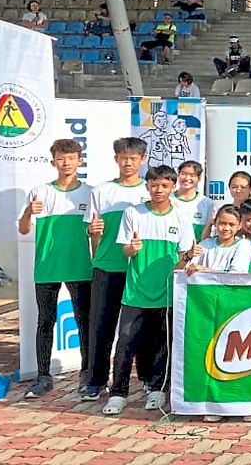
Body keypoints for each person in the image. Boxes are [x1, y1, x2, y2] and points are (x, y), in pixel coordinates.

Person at [102, 165, 194, 415]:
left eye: (164, 185)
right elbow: (125, 250)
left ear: (173, 187)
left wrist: (188, 258)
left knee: (162, 345)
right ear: (147, 186)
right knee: (125, 343)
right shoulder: (133, 213)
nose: (159, 190)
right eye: (154, 185)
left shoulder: (181, 217)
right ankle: (118, 393)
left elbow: (183, 258)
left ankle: (157, 389)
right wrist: (131, 248)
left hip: (166, 294)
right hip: (135, 294)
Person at [17, 139, 94, 399]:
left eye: (71, 158)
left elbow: (95, 232)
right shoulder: (39, 192)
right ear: (53, 162)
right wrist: (29, 212)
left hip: (80, 267)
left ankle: (87, 374)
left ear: (80, 161)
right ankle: (43, 376)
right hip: (47, 267)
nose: (66, 163)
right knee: (45, 322)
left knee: (84, 322)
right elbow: (23, 229)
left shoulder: (90, 193)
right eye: (61, 158)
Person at [81, 137, 150, 402]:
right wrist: (93, 232)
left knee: (140, 329)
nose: (128, 162)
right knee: (101, 327)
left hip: (140, 270)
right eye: (123, 157)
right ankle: (96, 381)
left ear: (143, 160)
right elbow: (93, 234)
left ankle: (146, 379)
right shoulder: (101, 191)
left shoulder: (151, 190)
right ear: (116, 159)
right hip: (107, 266)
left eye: (133, 157)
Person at [173, 161, 212, 240]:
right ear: (178, 175)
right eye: (183, 174)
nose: (187, 178)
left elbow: (209, 232)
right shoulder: (168, 199)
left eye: (192, 175)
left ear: (199, 178)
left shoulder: (207, 203)